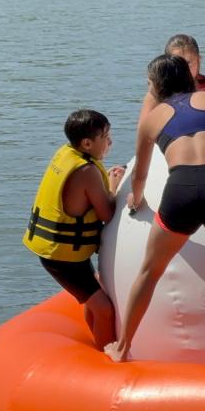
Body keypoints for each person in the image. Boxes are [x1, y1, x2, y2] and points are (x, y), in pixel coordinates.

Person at [105, 54, 205, 378]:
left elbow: (140, 176)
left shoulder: (152, 119)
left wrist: (136, 201)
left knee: (148, 273)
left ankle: (121, 349)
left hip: (180, 192)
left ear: (157, 86)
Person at [23, 109, 125, 349]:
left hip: (64, 251)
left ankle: (98, 345)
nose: (110, 141)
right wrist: (113, 185)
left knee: (95, 302)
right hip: (61, 258)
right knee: (104, 309)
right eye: (106, 136)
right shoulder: (86, 171)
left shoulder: (67, 154)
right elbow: (107, 214)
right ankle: (106, 360)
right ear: (87, 143)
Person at [138, 34, 205, 123]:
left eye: (188, 62)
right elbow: (144, 128)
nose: (184, 68)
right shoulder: (157, 92)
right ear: (166, 65)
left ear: (199, 60)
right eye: (177, 64)